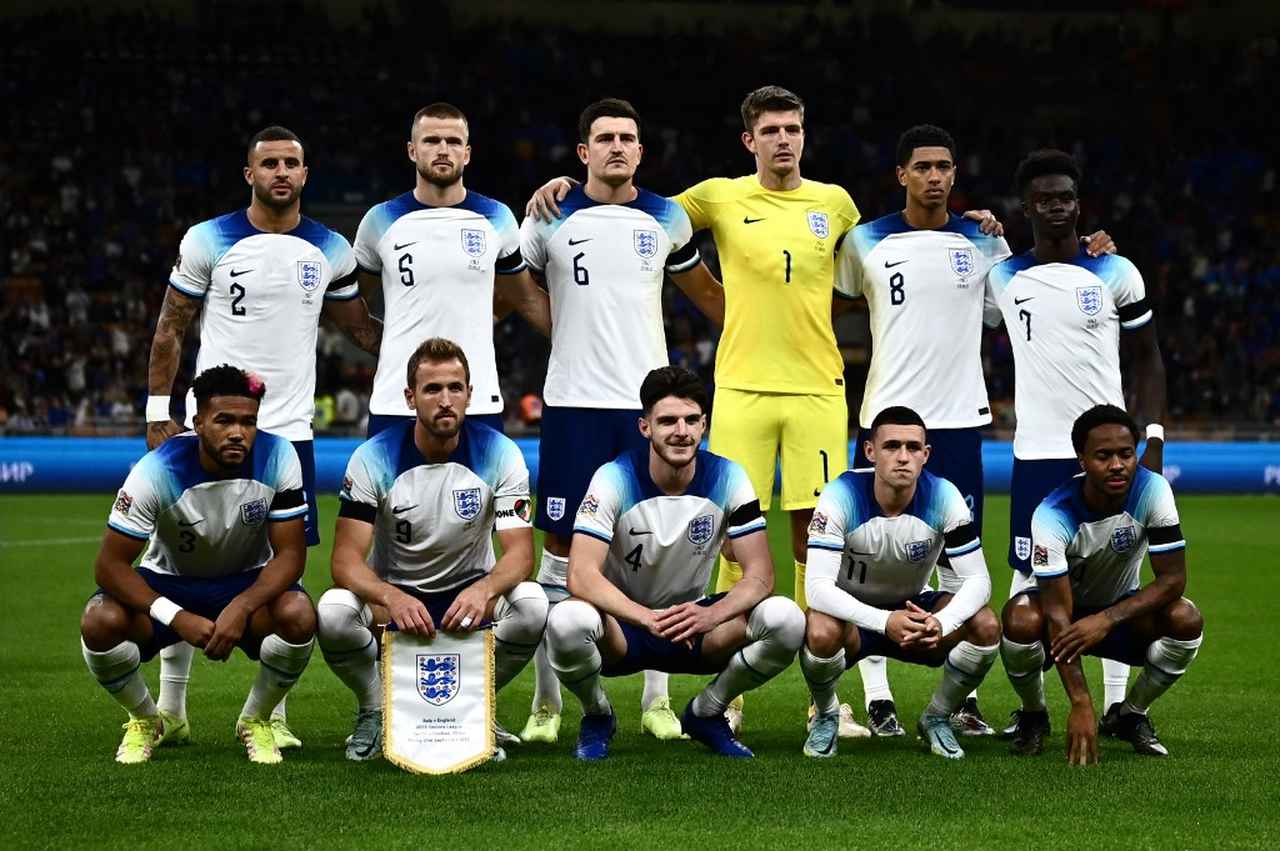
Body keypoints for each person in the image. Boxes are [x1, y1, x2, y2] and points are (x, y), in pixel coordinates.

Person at [528, 93, 1003, 739]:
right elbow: (638, 205)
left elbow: (890, 251)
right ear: (748, 140)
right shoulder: (715, 197)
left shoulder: (837, 206)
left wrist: (971, 224)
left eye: (794, 129)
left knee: (821, 536)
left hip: (816, 388)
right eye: (771, 130)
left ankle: (825, 701)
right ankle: (731, 696)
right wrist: (565, 189)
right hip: (743, 388)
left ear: (805, 136)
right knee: (728, 532)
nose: (784, 139)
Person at [834, 126, 1116, 737]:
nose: (934, 176)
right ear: (901, 174)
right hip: (885, 416)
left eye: (944, 167)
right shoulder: (863, 241)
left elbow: (1037, 280)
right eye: (923, 167)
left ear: (955, 174)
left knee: (960, 565)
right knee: (872, 562)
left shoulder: (986, 245)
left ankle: (958, 699)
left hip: (961, 420)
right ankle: (878, 700)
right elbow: (841, 300)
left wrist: (1095, 250)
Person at [144, 125, 382, 747]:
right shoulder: (209, 239)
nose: (282, 171)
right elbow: (172, 324)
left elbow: (363, 332)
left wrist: (435, 335)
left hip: (287, 435)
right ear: (249, 173)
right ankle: (172, 710)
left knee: (286, 576)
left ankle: (267, 715)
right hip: (210, 429)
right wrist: (155, 410)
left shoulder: (329, 248)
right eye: (270, 162)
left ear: (306, 174)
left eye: (293, 163)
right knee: (183, 557)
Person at [517, 98, 726, 744]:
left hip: (648, 407)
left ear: (640, 151)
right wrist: (558, 333)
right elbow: (517, 282)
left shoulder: (666, 217)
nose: (616, 146)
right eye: (604, 137)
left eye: (627, 138)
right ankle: (551, 702)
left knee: (660, 549)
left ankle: (656, 699)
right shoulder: (548, 214)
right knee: (558, 551)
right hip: (574, 404)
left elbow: (713, 298)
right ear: (583, 152)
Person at [988, 149, 1169, 743]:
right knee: (1025, 590)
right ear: (1027, 207)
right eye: (1044, 198)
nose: (1056, 206)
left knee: (1124, 577)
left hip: (1111, 450)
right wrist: (980, 228)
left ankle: (1122, 710)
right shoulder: (1003, 275)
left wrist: (1153, 440)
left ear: (1078, 203)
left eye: (1065, 196)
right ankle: (1035, 711)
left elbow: (1147, 356)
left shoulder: (1117, 270)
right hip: (1037, 455)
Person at [545, 366, 804, 760]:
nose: (681, 431)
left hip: (692, 626)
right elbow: (580, 574)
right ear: (645, 426)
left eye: (691, 420)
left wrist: (710, 615)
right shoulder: (613, 478)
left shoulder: (729, 477)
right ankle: (597, 714)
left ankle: (707, 710)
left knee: (786, 620)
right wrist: (644, 618)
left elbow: (761, 576)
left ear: (705, 425)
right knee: (565, 622)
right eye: (667, 421)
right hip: (621, 628)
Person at [316, 338, 547, 761]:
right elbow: (344, 561)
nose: (446, 400)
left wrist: (484, 590)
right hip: (397, 600)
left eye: (455, 388)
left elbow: (520, 554)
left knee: (532, 604)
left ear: (470, 395)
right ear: (410, 397)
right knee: (333, 611)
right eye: (432, 389)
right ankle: (375, 710)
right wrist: (391, 596)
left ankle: (478, 710)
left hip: (470, 596)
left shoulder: (502, 453)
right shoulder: (373, 458)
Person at [80, 365, 315, 765]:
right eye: (224, 421)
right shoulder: (156, 470)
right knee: (99, 621)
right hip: (169, 582)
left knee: (299, 615)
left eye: (248, 422)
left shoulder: (279, 455)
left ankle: (256, 719)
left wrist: (241, 607)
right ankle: (145, 718)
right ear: (198, 422)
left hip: (245, 583)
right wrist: (176, 617)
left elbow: (291, 555)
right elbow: (109, 567)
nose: (238, 432)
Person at [1000, 406, 1201, 763]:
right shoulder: (1051, 514)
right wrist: (1080, 702)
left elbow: (1173, 579)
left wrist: (1106, 619)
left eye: (1126, 454)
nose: (1117, 465)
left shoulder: (1153, 490)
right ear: (1082, 460)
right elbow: (1058, 613)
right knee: (1018, 618)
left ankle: (1129, 715)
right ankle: (1034, 714)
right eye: (1103, 456)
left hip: (1119, 614)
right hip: (1060, 618)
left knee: (1186, 619)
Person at [799, 406, 1000, 760]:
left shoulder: (943, 495)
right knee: (819, 630)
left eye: (912, 447)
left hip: (913, 612)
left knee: (984, 624)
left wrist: (942, 622)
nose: (903, 457)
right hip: (854, 622)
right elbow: (816, 588)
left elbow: (979, 581)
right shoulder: (840, 494)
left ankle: (936, 716)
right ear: (870, 451)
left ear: (926, 455)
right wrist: (883, 621)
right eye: (892, 446)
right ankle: (826, 714)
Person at [353, 102, 550, 438]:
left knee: (481, 493)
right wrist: (383, 344)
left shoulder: (497, 218)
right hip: (397, 399)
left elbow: (524, 298)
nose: (443, 150)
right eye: (431, 141)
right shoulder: (379, 220)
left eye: (454, 142)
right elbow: (352, 305)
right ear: (412, 151)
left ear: (468, 153)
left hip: (476, 400)